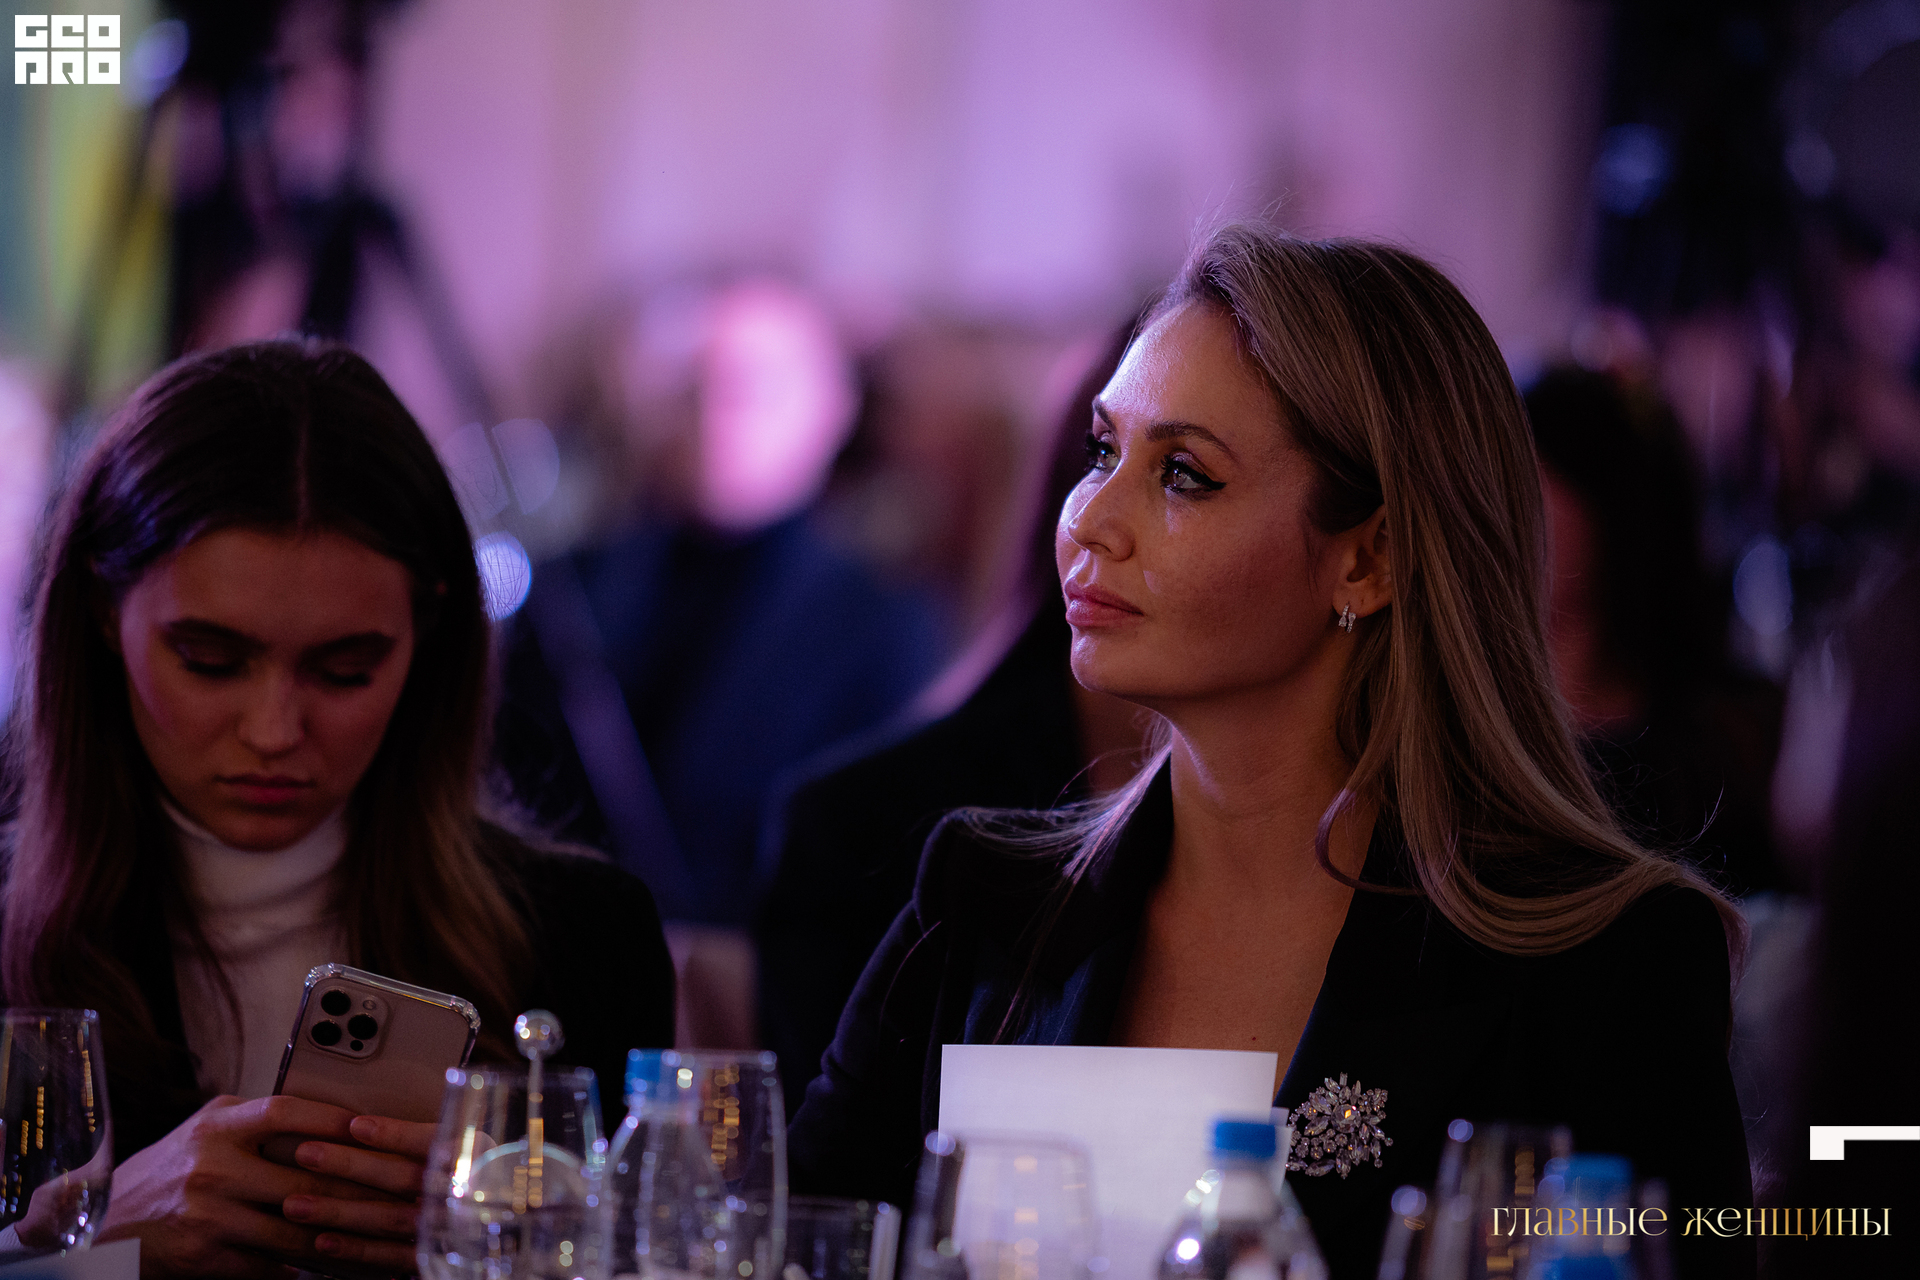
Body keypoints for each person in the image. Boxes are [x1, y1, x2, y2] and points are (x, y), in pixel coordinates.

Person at [787, 225, 1753, 1280]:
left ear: (1370, 557)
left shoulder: (1602, 966)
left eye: (1184, 474)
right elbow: (799, 1248)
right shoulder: (983, 905)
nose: (1091, 519)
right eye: (1103, 452)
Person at [0, 340, 676, 1278]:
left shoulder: (586, 939)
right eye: (209, 661)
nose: (276, 731)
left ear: (429, 640)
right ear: (103, 618)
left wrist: (508, 1250)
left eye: (346, 669)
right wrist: (88, 1253)